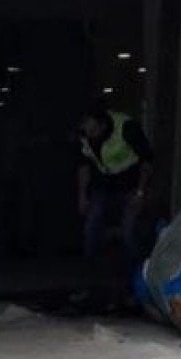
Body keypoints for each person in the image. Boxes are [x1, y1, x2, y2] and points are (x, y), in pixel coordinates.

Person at [76, 102, 153, 270]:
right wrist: (82, 196)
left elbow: (147, 162)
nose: (91, 136)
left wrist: (140, 193)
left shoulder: (127, 128)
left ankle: (136, 271)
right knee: (91, 225)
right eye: (87, 131)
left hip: (131, 185)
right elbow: (84, 165)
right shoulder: (85, 135)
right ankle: (91, 269)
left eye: (94, 131)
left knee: (129, 230)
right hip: (103, 185)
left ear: (103, 126)